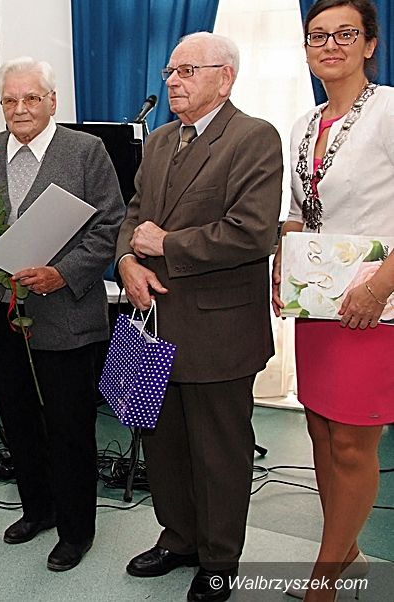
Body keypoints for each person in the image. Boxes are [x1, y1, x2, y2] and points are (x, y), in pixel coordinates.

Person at [116, 33, 283, 602]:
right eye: (170, 70)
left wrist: (165, 246)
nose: (172, 80)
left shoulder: (254, 137)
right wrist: (126, 262)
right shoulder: (160, 140)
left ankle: (218, 560)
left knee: (219, 455)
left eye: (187, 70)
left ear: (225, 77)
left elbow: (252, 232)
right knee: (162, 446)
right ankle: (178, 538)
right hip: (153, 323)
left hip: (220, 330)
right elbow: (133, 215)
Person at [0, 57, 125, 572]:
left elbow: (109, 226)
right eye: (10, 99)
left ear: (52, 101)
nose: (20, 108)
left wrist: (62, 274)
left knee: (69, 426)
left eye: (31, 98)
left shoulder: (85, 151)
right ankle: (38, 509)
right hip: (2, 315)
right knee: (19, 421)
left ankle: (76, 530)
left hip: (65, 315)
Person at [271, 1, 393, 599]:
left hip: (375, 306)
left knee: (352, 441)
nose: (330, 45)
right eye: (317, 35)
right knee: (321, 431)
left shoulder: (390, 110)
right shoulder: (305, 123)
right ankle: (347, 552)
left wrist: (380, 286)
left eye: (346, 33)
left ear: (369, 44)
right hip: (318, 303)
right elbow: (299, 212)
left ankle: (324, 577)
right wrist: (282, 266)